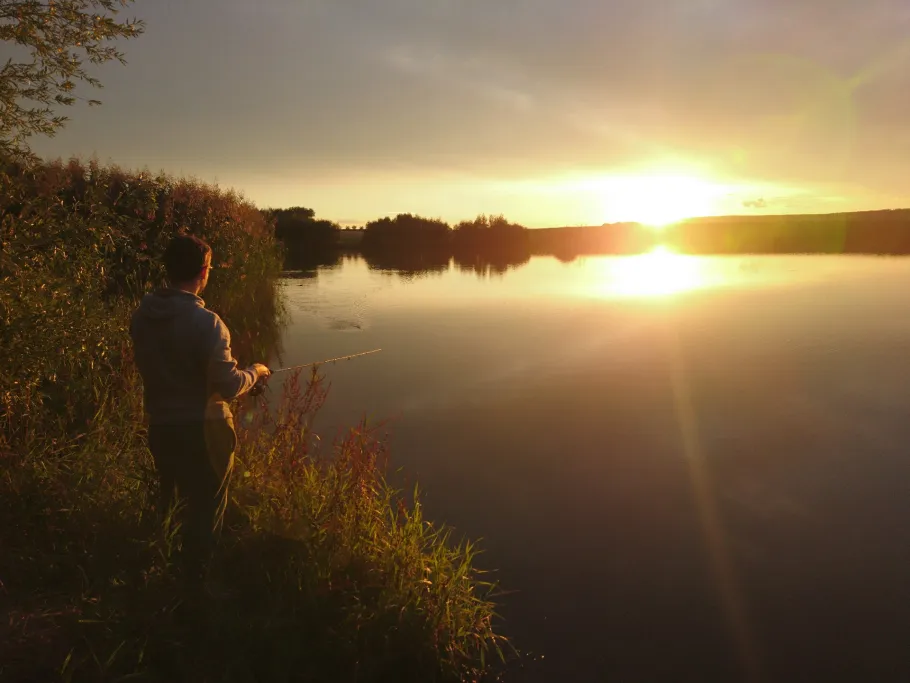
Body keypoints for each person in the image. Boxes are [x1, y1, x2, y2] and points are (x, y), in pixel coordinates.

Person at [129, 234, 270, 586]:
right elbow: (229, 385)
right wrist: (257, 372)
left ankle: (160, 577)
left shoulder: (142, 316)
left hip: (161, 427)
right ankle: (195, 588)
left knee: (172, 503)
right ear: (204, 271)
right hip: (205, 432)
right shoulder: (207, 323)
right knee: (205, 511)